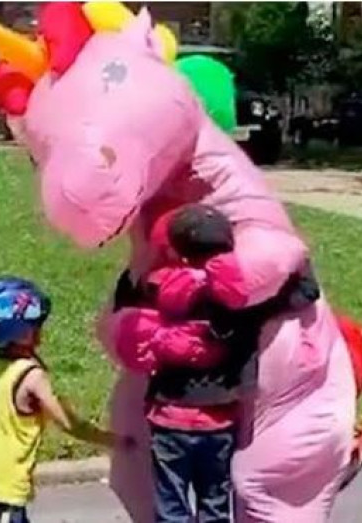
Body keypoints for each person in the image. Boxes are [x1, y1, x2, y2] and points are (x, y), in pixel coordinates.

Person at [0, 276, 120, 523]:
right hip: (4, 488)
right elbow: (70, 424)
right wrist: (115, 441)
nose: (40, 329)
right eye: (36, 324)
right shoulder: (31, 376)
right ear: (23, 332)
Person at [140, 204, 248, 523]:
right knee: (215, 502)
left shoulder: (159, 288)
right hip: (220, 419)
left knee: (170, 505)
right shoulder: (238, 300)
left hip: (169, 416)